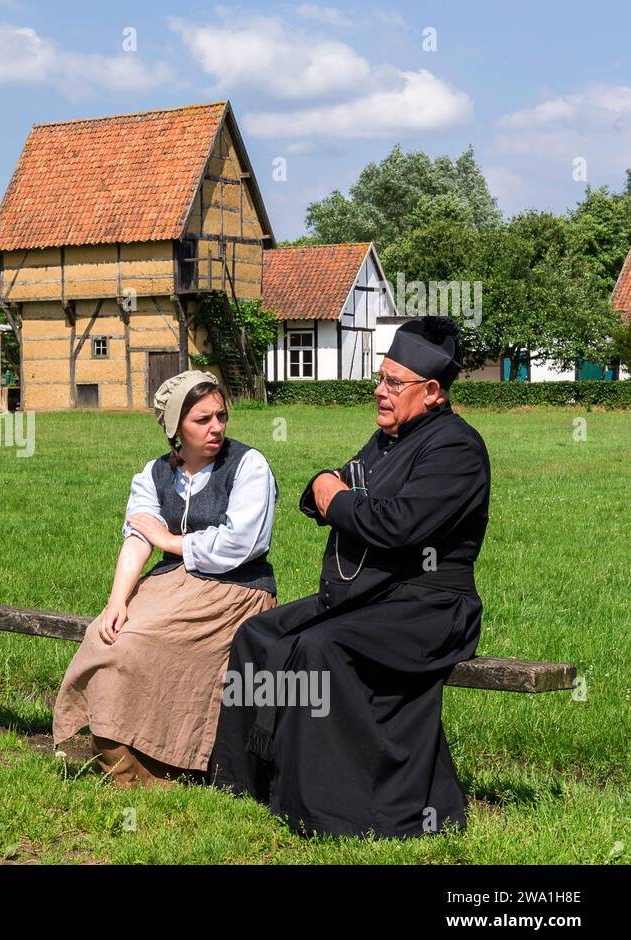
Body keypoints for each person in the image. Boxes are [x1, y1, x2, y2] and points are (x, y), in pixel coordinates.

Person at [207, 316, 490, 839]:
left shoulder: (456, 449)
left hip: (430, 608)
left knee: (319, 648)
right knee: (258, 635)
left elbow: (398, 527)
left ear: (431, 392)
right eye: (379, 379)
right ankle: (246, 781)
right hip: (373, 597)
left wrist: (334, 495)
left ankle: (326, 809)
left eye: (392, 383)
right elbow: (326, 491)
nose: (379, 392)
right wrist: (326, 486)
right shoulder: (386, 440)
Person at [53, 371, 279, 787]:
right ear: (176, 427)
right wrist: (116, 601)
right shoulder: (155, 474)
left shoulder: (249, 466)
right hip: (174, 583)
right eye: (202, 420)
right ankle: (120, 758)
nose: (216, 428)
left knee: (146, 642)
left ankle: (169, 764)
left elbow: (240, 544)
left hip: (236, 589)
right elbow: (139, 538)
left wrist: (169, 540)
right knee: (105, 638)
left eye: (221, 416)